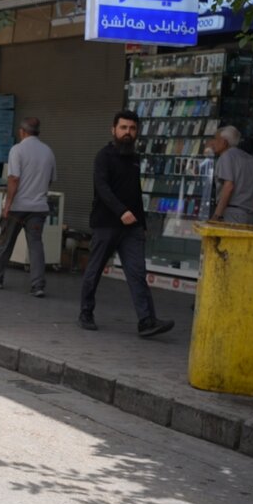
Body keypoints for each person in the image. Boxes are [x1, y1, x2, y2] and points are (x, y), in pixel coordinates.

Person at [78, 113, 174, 337]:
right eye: (123, 127)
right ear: (113, 130)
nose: (127, 132)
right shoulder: (103, 156)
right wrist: (121, 212)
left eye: (132, 128)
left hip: (132, 227)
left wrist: (141, 222)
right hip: (105, 224)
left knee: (137, 273)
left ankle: (146, 321)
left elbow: (135, 192)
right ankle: (86, 313)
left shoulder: (134, 158)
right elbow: (102, 188)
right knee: (94, 270)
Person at [0, 117, 57, 296]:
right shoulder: (48, 151)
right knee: (36, 245)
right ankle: (38, 285)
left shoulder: (17, 150)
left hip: (18, 206)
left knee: (6, 243)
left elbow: (13, 178)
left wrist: (7, 205)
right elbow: (50, 180)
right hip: (38, 207)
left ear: (22, 132)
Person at [209, 125, 253, 225]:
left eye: (215, 139)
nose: (212, 143)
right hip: (252, 216)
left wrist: (216, 216)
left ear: (224, 142)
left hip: (232, 215)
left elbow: (228, 187)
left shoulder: (226, 157)